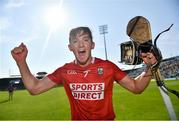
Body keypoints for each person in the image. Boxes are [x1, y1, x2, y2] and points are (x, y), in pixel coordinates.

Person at [11, 27, 157, 120]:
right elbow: (34, 88)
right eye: (75, 41)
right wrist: (21, 62)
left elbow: (136, 87)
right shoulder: (65, 71)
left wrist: (150, 67)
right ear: (70, 47)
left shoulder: (107, 67)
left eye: (85, 40)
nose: (81, 44)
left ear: (92, 45)